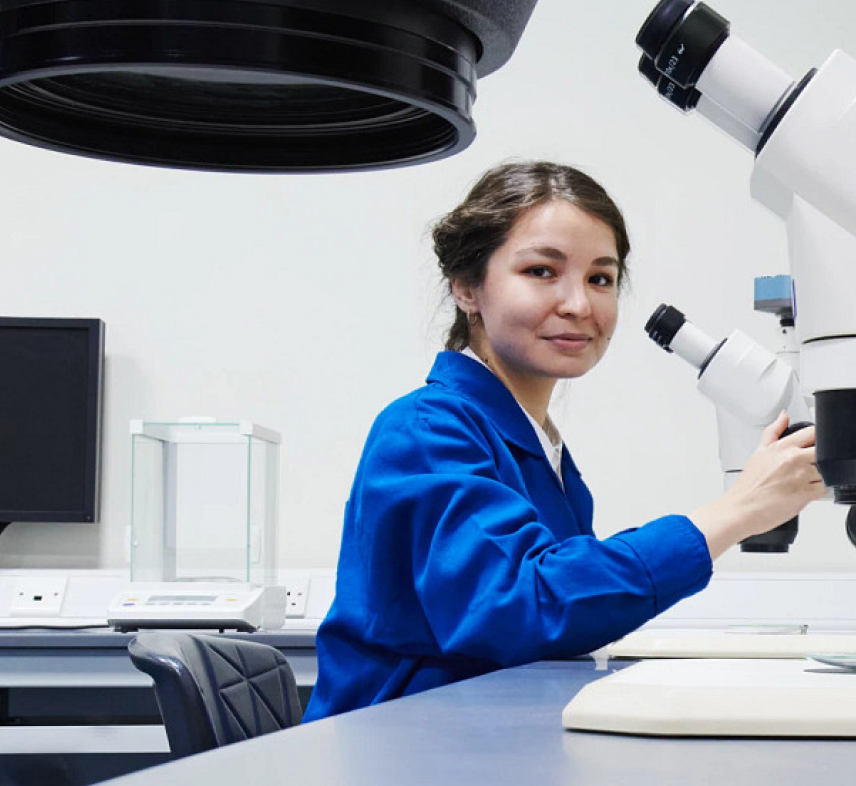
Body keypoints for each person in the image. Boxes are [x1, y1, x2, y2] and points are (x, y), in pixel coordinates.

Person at [304, 160, 827, 720]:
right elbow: (524, 607)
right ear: (466, 287)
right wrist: (737, 512)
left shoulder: (535, 446)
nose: (580, 304)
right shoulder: (429, 430)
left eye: (600, 278)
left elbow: (562, 617)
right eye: (541, 272)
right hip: (393, 751)